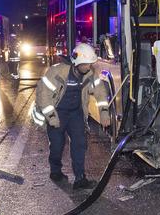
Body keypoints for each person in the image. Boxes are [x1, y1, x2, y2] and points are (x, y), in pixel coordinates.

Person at [34, 43, 111, 190]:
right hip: (57, 113)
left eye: (90, 64)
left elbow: (100, 92)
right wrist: (51, 117)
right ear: (76, 62)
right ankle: (55, 171)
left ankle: (80, 178)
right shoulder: (57, 72)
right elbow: (43, 95)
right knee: (57, 145)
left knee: (80, 143)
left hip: (75, 113)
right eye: (86, 64)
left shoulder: (89, 74)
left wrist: (104, 112)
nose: (89, 67)